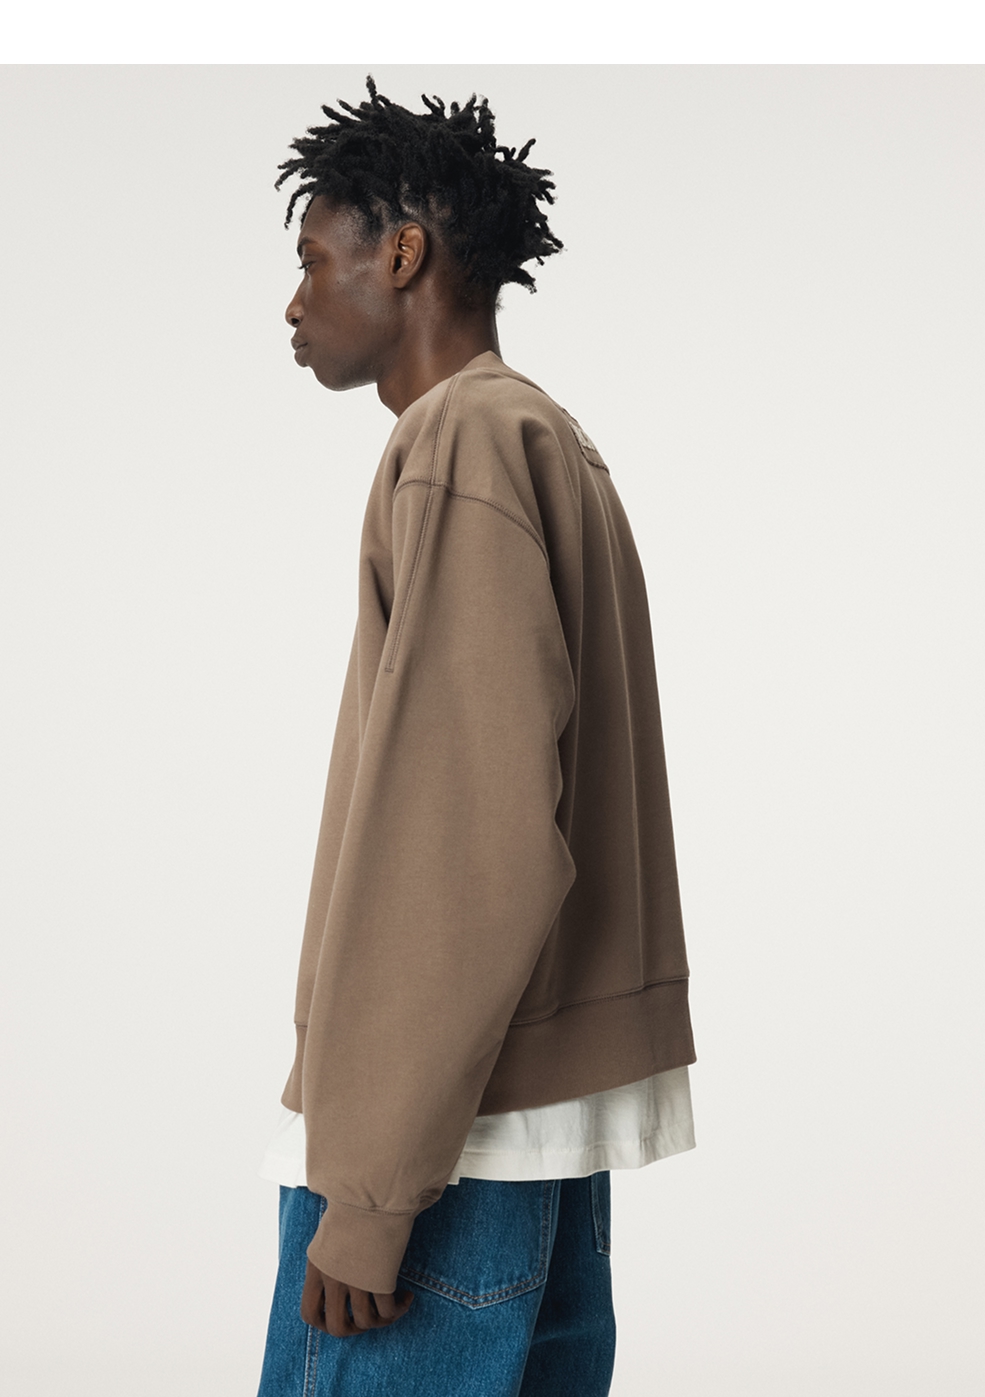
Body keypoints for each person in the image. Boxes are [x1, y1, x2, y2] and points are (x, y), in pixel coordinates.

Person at [259, 76, 694, 1373]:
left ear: (402, 254)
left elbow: (469, 835)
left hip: (443, 1154)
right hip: (525, 1131)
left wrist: (371, 1189)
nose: (294, 301)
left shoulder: (462, 442)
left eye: (313, 259)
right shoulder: (544, 435)